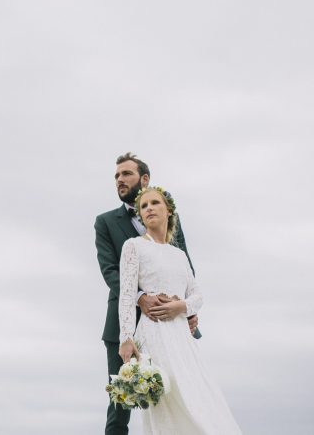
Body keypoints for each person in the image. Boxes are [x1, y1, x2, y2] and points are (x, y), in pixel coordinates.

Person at [119, 187, 241, 434]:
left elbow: (197, 295)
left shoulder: (179, 255)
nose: (149, 208)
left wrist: (181, 306)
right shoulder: (133, 246)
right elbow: (127, 294)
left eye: (155, 203)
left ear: (169, 210)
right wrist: (126, 338)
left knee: (198, 396)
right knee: (171, 400)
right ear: (140, 216)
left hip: (182, 337)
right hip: (153, 334)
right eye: (144, 206)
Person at [95, 153, 197, 435]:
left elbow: (185, 266)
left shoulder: (167, 217)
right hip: (123, 329)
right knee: (121, 405)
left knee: (184, 397)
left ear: (144, 178)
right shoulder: (105, 222)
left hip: (171, 327)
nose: (120, 180)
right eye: (116, 176)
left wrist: (188, 310)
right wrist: (139, 297)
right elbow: (110, 272)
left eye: (126, 174)